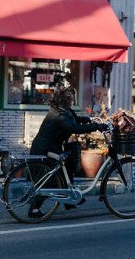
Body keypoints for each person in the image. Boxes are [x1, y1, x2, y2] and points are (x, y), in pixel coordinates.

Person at [28, 86, 109, 217]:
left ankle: (69, 201)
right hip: (45, 149)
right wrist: (96, 127)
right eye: (71, 99)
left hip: (52, 146)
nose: (73, 101)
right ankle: (34, 209)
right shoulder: (59, 115)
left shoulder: (64, 111)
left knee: (67, 169)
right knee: (51, 179)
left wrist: (87, 120)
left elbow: (75, 120)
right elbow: (73, 128)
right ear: (65, 101)